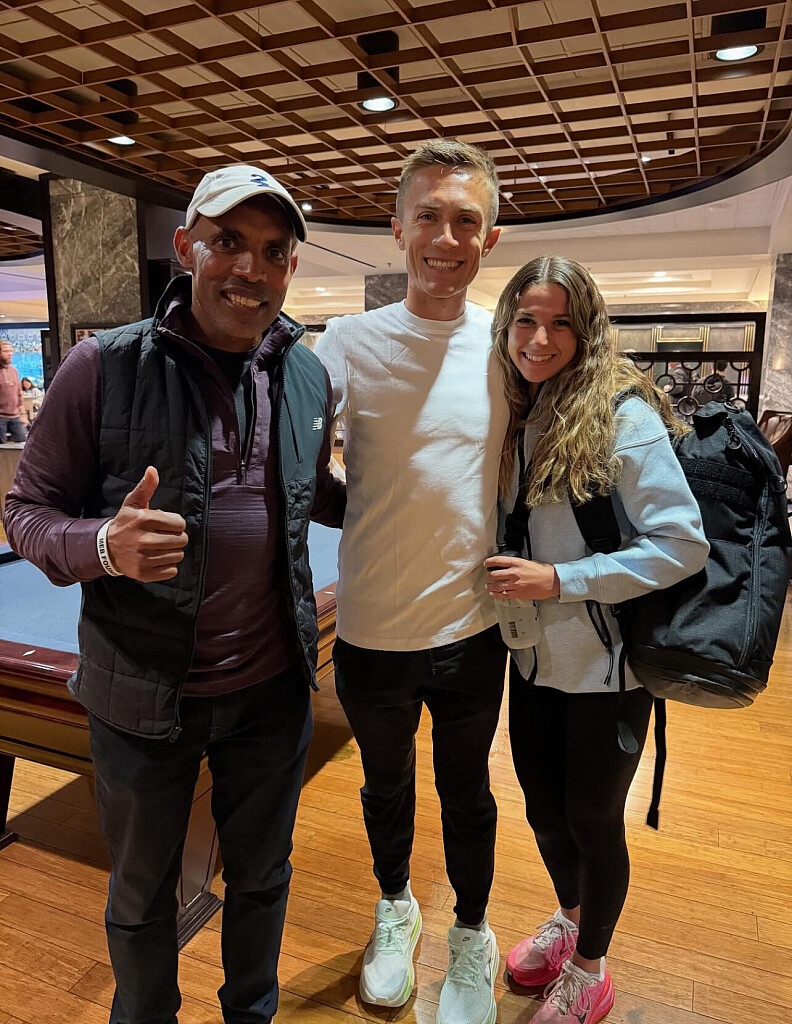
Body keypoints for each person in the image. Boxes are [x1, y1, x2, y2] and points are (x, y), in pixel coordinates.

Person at [4, 164, 345, 1024]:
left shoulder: (306, 378)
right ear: (187, 246)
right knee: (142, 896)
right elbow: (26, 513)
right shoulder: (101, 366)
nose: (251, 268)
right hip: (143, 697)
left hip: (273, 692)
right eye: (229, 241)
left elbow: (311, 498)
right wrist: (103, 547)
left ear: (292, 267)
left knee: (264, 878)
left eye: (274, 250)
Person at [484, 256, 708, 1024]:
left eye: (561, 323)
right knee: (544, 812)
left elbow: (682, 545)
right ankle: (571, 918)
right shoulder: (520, 410)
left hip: (608, 671)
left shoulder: (621, 415)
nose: (540, 338)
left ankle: (591, 966)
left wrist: (559, 580)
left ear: (587, 330)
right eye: (526, 320)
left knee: (592, 820)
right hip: (531, 660)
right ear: (506, 325)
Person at [315, 140, 509, 1024]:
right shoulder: (347, 342)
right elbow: (293, 469)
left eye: (465, 220)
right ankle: (395, 906)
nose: (445, 237)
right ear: (397, 230)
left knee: (467, 793)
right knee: (384, 786)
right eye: (428, 216)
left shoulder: (507, 345)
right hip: (371, 629)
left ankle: (472, 929)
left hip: (474, 630)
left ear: (489, 239)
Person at [0, 341, 26, 442]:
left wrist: (23, 415)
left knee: (23, 442)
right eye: (6, 351)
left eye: (11, 351)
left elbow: (19, 395)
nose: (10, 354)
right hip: (0, 417)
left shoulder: (14, 371)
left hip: (15, 415)